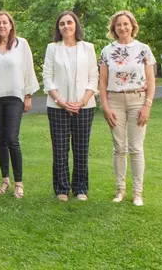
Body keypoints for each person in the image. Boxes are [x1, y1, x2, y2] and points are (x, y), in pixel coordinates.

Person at [98, 10, 156, 207]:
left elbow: (151, 81)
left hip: (138, 100)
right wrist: (105, 107)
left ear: (133, 26)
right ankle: (120, 190)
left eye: (126, 24)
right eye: (118, 25)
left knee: (136, 148)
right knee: (119, 148)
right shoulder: (107, 51)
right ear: (113, 28)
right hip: (114, 101)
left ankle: (137, 193)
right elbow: (102, 81)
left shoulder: (143, 49)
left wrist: (147, 105)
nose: (122, 28)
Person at [0, 11, 39, 199]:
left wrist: (28, 95)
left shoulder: (21, 44)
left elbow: (28, 69)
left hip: (15, 96)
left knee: (12, 138)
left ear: (11, 25)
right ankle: (5, 179)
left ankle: (19, 183)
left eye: (5, 23)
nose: (2, 26)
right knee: (0, 139)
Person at [42, 11, 98, 202]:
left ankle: (81, 188)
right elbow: (47, 78)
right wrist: (61, 101)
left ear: (76, 25)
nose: (66, 26)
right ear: (58, 28)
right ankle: (62, 189)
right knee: (60, 149)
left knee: (81, 148)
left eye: (69, 22)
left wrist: (82, 101)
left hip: (85, 106)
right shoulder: (52, 48)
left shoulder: (88, 48)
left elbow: (94, 77)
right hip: (58, 107)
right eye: (62, 24)